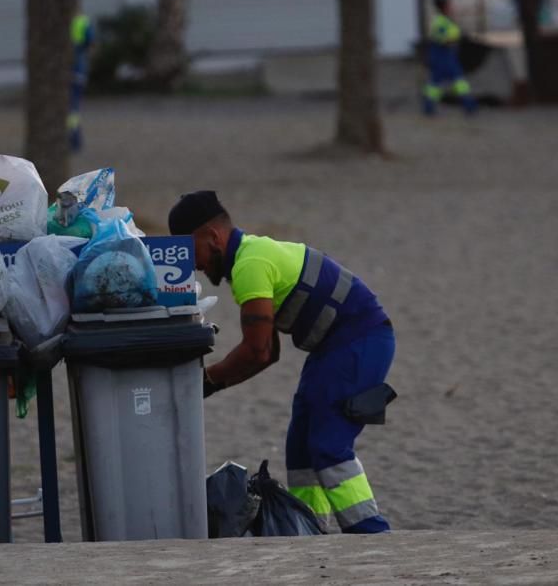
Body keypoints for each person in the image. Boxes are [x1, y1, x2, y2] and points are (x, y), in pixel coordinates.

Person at [168, 191, 395, 534]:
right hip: (332, 347)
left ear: (213, 237)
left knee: (328, 444)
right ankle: (308, 528)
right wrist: (211, 382)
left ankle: (371, 534)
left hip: (360, 341)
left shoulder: (251, 265)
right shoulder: (250, 257)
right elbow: (269, 353)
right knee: (301, 446)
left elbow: (258, 351)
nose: (190, 264)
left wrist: (207, 382)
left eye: (188, 251)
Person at [423, 0, 476, 116]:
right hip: (442, 54)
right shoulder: (440, 22)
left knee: (436, 83)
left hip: (444, 54)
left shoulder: (444, 20)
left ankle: (428, 107)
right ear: (444, 7)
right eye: (449, 6)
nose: (452, 8)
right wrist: (456, 38)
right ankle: (469, 105)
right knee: (457, 80)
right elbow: (442, 39)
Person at [68, 9, 95, 151]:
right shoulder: (83, 22)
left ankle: (73, 139)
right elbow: (91, 45)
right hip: (79, 71)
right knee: (73, 109)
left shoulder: (59, 21)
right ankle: (74, 139)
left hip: (69, 71)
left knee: (71, 110)